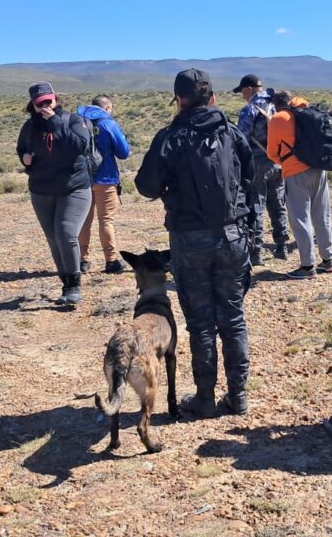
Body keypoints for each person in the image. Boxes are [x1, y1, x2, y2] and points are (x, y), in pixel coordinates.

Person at [136, 69, 254, 417]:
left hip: (190, 240)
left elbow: (146, 185)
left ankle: (205, 398)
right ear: (212, 96)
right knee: (232, 318)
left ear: (181, 99)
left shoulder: (171, 136)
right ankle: (239, 396)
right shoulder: (231, 132)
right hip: (232, 235)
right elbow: (251, 176)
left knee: (201, 322)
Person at [16, 82, 92, 305]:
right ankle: (66, 282)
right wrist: (24, 159)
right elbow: (22, 149)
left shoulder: (73, 120)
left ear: (56, 98)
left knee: (66, 233)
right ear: (33, 105)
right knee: (53, 238)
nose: (45, 106)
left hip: (74, 187)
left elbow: (79, 146)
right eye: (40, 104)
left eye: (48, 101)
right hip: (42, 189)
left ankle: (74, 285)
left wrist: (55, 123)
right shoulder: (30, 128)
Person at [267, 91, 332, 279]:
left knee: (299, 218)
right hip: (319, 168)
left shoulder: (278, 119)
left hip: (294, 172)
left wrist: (284, 161)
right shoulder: (308, 112)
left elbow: (272, 153)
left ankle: (307, 266)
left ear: (276, 105)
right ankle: (327, 260)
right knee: (322, 215)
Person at [233, 74, 289, 265]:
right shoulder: (276, 105)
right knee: (278, 204)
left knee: (256, 206)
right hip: (277, 161)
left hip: (257, 163)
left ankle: (256, 252)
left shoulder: (250, 109)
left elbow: (241, 138)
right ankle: (282, 247)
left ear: (248, 89)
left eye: (242, 91)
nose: (242, 95)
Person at [77, 94, 131, 274]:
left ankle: (82, 261)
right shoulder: (108, 124)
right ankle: (111, 261)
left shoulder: (78, 122)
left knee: (85, 220)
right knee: (105, 220)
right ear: (107, 108)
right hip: (105, 179)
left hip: (82, 179)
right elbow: (124, 152)